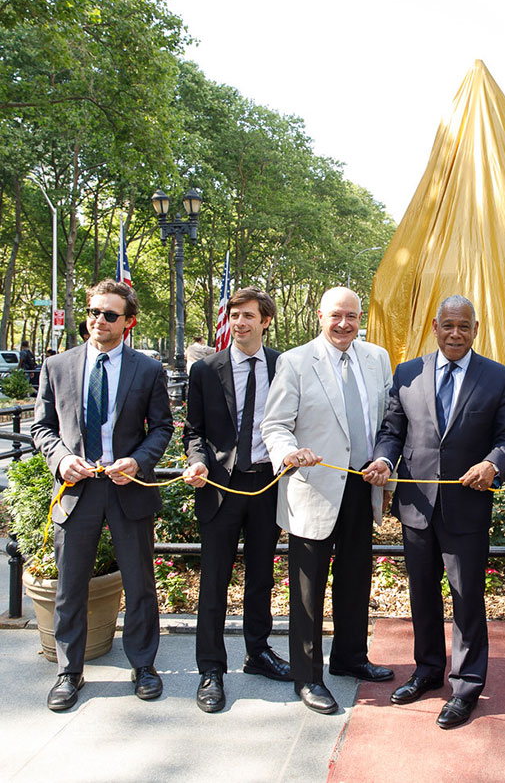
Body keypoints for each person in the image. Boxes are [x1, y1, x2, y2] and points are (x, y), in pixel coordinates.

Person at [364, 295, 505, 729]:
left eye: (463, 327)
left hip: (466, 506)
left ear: (475, 328)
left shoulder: (499, 378)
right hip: (416, 506)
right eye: (448, 326)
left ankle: (467, 685)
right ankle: (428, 670)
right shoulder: (408, 373)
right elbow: (392, 431)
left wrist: (494, 464)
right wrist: (382, 460)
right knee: (423, 595)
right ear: (435, 326)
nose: (455, 334)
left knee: (467, 597)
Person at [31, 279, 173, 711]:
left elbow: (162, 428)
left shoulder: (147, 370)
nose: (98, 321)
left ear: (127, 323)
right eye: (93, 312)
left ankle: (144, 666)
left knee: (140, 584)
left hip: (127, 490)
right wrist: (60, 459)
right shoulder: (57, 366)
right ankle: (68, 672)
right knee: (70, 586)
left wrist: (137, 461)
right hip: (76, 491)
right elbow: (41, 428)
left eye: (109, 315)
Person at [261, 286, 394, 715]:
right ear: (320, 316)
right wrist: (288, 453)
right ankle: (308, 676)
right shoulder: (295, 362)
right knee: (307, 589)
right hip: (313, 486)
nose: (344, 324)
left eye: (352, 316)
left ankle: (351, 657)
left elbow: (389, 423)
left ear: (361, 319)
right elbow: (275, 424)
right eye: (336, 315)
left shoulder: (376, 359)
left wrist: (385, 468)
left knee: (356, 580)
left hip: (362, 486)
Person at [182, 288, 289, 713]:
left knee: (261, 576)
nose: (239, 323)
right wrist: (197, 462)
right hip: (220, 488)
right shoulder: (206, 370)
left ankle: (258, 653)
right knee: (213, 582)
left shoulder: (285, 366)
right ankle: (211, 669)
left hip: (267, 485)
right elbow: (194, 430)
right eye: (234, 315)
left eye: (248, 316)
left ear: (266, 321)